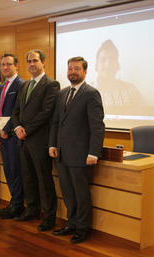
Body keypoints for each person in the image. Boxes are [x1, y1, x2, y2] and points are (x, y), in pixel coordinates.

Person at [50, 56, 105, 244]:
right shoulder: (62, 93)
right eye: (70, 69)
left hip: (81, 155)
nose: (72, 72)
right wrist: (52, 145)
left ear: (85, 72)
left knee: (81, 194)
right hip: (62, 154)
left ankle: (82, 229)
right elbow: (56, 122)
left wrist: (94, 152)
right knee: (67, 192)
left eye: (77, 69)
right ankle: (70, 224)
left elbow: (97, 126)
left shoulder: (91, 93)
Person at [12, 49, 59, 232]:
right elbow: (16, 110)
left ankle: (49, 217)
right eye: (29, 61)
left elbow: (46, 113)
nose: (32, 64)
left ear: (43, 63)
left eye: (35, 61)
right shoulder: (24, 85)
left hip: (39, 141)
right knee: (28, 178)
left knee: (43, 180)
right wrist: (17, 128)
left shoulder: (51, 84)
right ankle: (32, 209)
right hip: (22, 140)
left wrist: (27, 130)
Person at [0, 54, 24, 219]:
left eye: (9, 64)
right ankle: (13, 202)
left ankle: (17, 205)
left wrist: (6, 129)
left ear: (16, 66)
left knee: (15, 171)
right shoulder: (3, 85)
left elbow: (17, 112)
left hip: (13, 136)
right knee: (8, 171)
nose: (5, 67)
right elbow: (0, 112)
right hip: (2, 136)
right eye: (3, 65)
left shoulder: (21, 85)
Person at [94, 39, 145, 113]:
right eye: (103, 60)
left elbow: (143, 116)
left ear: (117, 66)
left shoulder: (131, 90)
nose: (108, 65)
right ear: (96, 66)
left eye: (111, 60)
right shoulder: (83, 93)